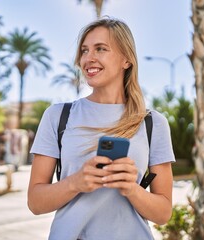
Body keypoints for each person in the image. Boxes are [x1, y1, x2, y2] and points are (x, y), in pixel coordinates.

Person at [28, 17, 175, 240]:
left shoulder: (153, 123)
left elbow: (163, 213)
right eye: (84, 51)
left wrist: (132, 189)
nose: (89, 58)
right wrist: (74, 183)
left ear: (126, 59)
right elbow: (35, 203)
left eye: (100, 49)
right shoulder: (58, 116)